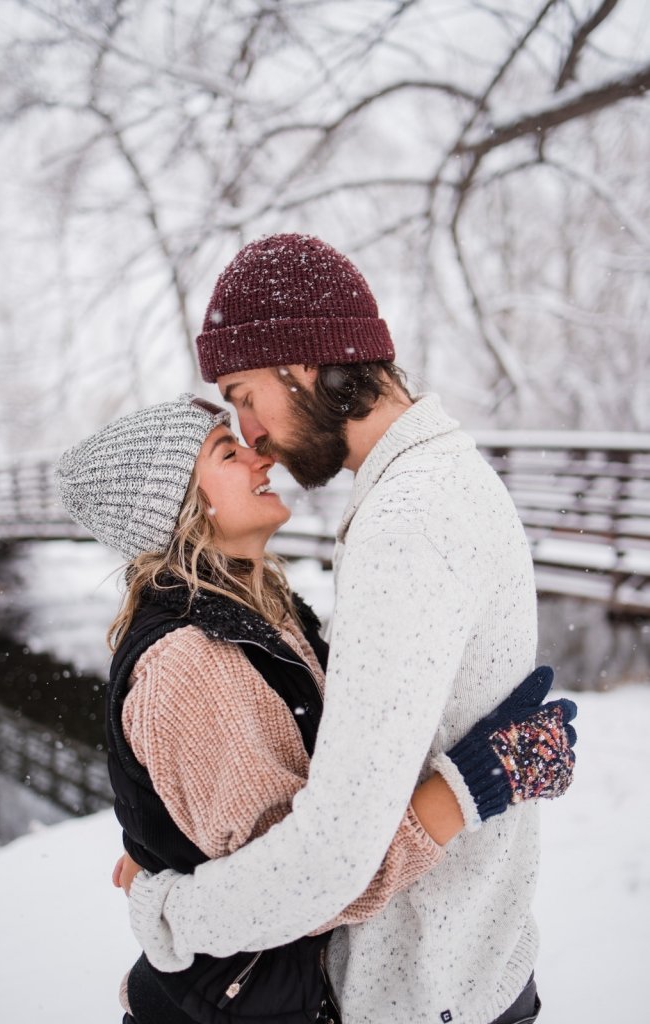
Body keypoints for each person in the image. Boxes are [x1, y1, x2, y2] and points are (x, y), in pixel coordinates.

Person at [112, 234, 574, 1024]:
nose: (252, 434)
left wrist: (171, 913)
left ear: (300, 364)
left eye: (243, 394)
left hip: (421, 985)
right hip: (461, 967)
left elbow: (327, 858)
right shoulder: (438, 479)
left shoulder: (406, 521)